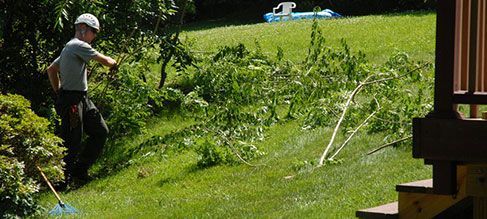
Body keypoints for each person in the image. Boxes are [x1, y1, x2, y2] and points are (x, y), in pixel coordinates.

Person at [47, 13, 117, 185]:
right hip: (72, 101)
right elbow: (106, 61)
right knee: (72, 140)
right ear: (84, 29)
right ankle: (61, 180)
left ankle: (79, 170)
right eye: (95, 32)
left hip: (81, 98)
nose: (94, 37)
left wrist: (58, 91)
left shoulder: (69, 48)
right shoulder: (78, 44)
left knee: (100, 131)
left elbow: (51, 69)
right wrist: (114, 64)